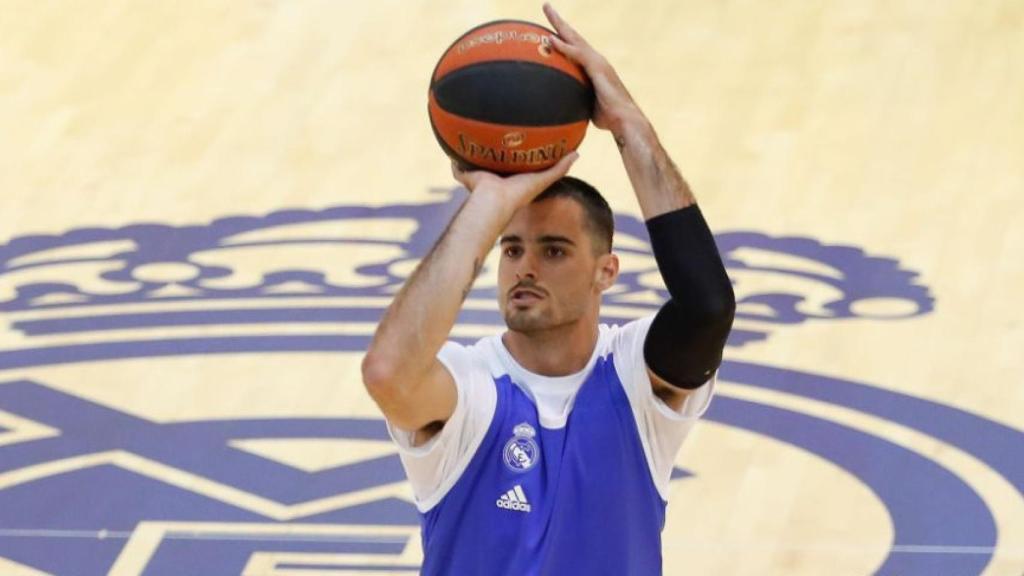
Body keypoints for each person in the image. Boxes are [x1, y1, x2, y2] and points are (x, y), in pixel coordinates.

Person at [362, 4, 736, 574]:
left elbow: (707, 308)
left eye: (554, 250)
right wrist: (488, 204)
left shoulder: (633, 380)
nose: (525, 268)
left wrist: (630, 126)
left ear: (606, 272)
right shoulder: (471, 389)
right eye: (511, 248)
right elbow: (387, 372)